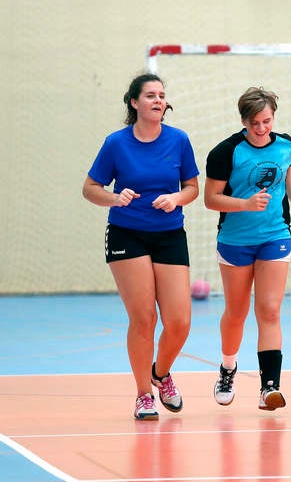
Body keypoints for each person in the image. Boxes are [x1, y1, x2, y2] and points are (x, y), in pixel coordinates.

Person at [82, 73, 200, 420]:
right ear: (134, 102)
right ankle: (143, 395)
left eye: (162, 95)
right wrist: (115, 198)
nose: (158, 100)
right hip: (127, 234)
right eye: (150, 95)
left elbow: (192, 187)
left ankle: (160, 374)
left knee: (179, 321)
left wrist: (175, 198)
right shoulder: (116, 143)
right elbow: (90, 188)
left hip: (169, 233)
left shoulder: (179, 140)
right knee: (144, 317)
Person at [204, 87, 291, 411]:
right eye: (255, 123)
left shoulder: (286, 145)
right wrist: (245, 204)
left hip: (275, 235)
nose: (262, 128)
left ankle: (269, 388)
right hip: (235, 240)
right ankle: (227, 367)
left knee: (270, 310)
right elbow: (211, 199)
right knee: (236, 314)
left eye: (267, 121)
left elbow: (288, 170)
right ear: (243, 121)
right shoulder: (226, 152)